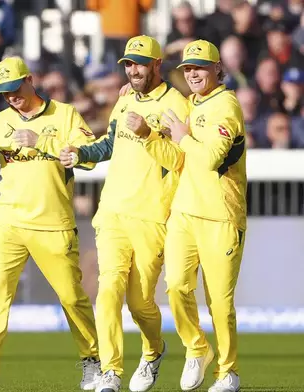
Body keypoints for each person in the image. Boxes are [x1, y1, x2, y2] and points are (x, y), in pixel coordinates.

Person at [0, 56, 101, 390]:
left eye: (14, 88)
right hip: (9, 221)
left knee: (71, 297)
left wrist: (43, 143)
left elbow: (89, 157)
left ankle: (93, 361)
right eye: (4, 93)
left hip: (53, 223)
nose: (11, 97)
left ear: (30, 80)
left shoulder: (64, 114)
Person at [60, 35, 189, 392]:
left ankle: (154, 350)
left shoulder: (176, 104)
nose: (133, 71)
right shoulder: (125, 99)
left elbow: (181, 160)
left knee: (140, 303)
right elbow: (109, 144)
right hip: (113, 211)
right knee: (108, 290)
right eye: (128, 64)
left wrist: (149, 133)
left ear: (157, 64)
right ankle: (111, 371)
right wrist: (81, 155)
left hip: (152, 216)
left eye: (140, 64)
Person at [159, 39, 247, 392]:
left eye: (199, 67)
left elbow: (210, 159)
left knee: (219, 303)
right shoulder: (192, 104)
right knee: (176, 287)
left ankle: (228, 373)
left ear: (216, 69)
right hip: (184, 211)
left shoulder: (226, 106)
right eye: (188, 69)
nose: (193, 74)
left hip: (221, 217)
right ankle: (197, 347)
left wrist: (181, 136)